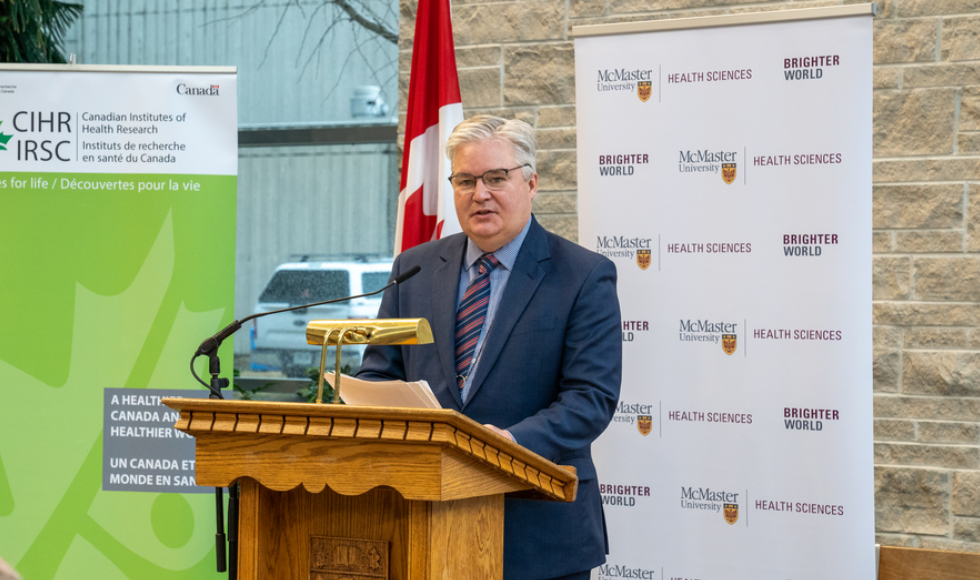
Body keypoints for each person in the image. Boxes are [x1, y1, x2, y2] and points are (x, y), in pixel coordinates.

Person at [357, 115, 622, 580]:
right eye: (465, 180)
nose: (480, 193)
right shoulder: (414, 269)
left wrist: (509, 443)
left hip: (536, 531)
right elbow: (379, 374)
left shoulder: (582, 275)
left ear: (531, 181)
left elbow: (589, 399)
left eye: (496, 178)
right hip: (423, 523)